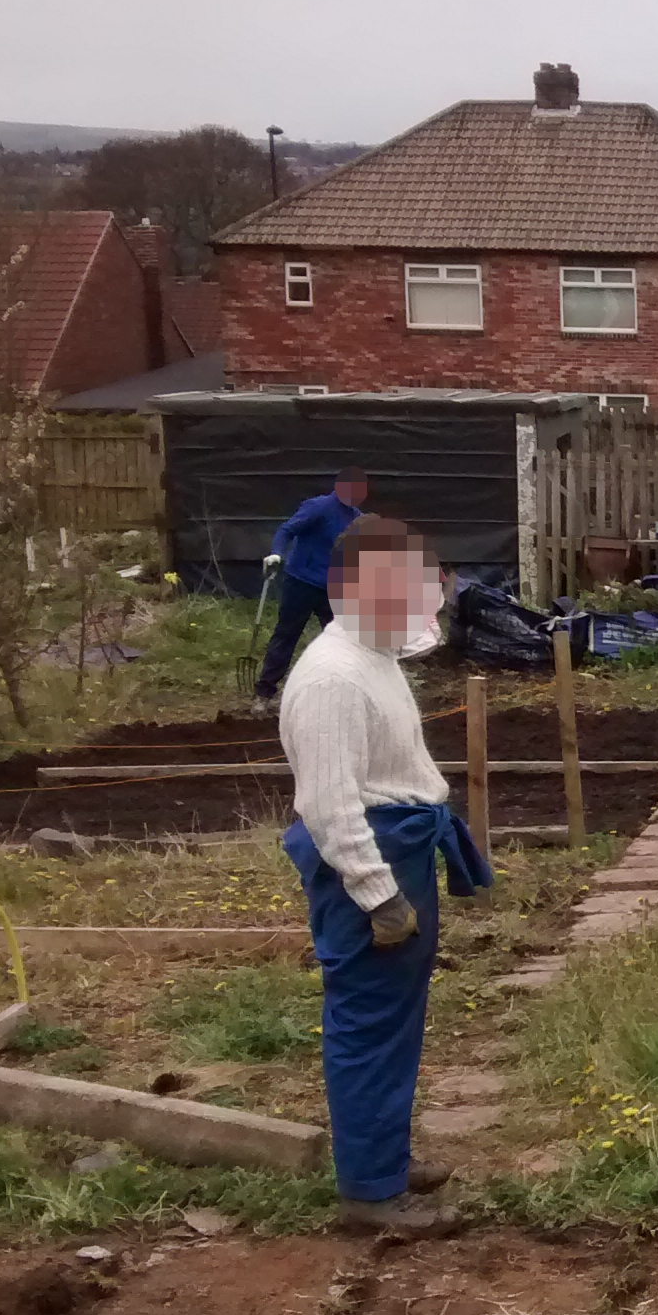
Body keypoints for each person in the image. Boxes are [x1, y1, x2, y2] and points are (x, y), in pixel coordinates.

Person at [278, 514, 492, 1238]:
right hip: (365, 869)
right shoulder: (332, 680)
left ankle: (385, 1161)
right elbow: (328, 805)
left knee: (396, 1022)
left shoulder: (374, 655)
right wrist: (379, 895)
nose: (421, 604)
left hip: (398, 850)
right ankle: (371, 1194)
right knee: (368, 1024)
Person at [256, 471, 369, 700]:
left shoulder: (357, 519)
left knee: (344, 639)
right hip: (301, 582)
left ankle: (343, 690)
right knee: (287, 634)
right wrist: (277, 553)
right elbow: (287, 530)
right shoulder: (319, 507)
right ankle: (265, 691)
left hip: (334, 590)